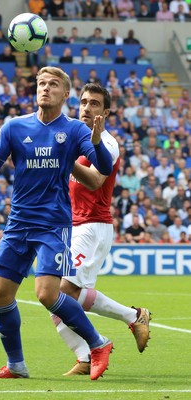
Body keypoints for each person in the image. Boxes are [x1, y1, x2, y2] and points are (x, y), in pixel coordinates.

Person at [0, 66, 113, 381]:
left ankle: (98, 343)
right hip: (19, 223)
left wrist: (97, 142)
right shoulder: (14, 127)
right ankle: (16, 365)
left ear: (66, 95)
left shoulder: (76, 131)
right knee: (0, 295)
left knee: (47, 294)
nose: (45, 88)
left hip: (53, 224)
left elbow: (103, 169)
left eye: (53, 84)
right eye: (41, 83)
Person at [51, 83, 151, 376]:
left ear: (105, 112)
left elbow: (95, 179)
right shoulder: (75, 140)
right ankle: (96, 346)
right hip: (73, 228)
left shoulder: (106, 143)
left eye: (94, 103)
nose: (87, 108)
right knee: (55, 297)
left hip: (92, 227)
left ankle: (95, 347)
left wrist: (65, 158)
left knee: (60, 296)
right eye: (83, 102)